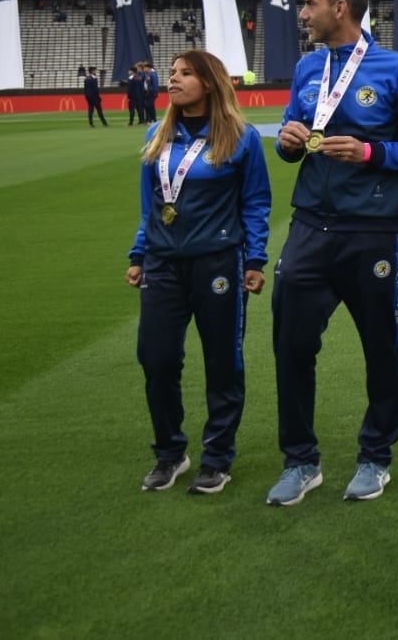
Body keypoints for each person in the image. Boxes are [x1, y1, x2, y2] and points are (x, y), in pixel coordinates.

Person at [266, 0, 398, 506]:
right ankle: (300, 461)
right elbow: (292, 135)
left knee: (380, 346)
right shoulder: (307, 66)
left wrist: (371, 153)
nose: (302, 13)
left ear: (340, 8)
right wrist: (289, 142)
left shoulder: (392, 68)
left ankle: (375, 456)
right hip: (309, 227)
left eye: (310, 4)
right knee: (291, 345)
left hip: (372, 230)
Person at [127, 50, 271, 495]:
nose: (173, 80)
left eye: (185, 73)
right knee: (157, 358)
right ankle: (170, 452)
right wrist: (138, 255)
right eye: (171, 73)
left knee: (222, 363)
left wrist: (255, 259)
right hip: (162, 263)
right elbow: (151, 207)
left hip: (219, 263)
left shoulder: (240, 138)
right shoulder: (157, 135)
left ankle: (217, 458)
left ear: (209, 82)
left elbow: (256, 202)